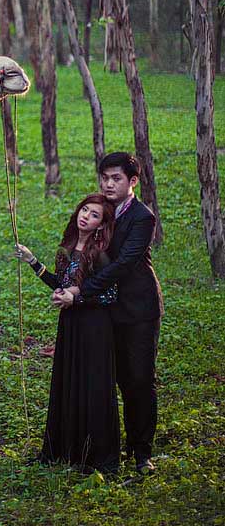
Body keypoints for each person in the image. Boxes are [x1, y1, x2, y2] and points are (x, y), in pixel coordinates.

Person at [53, 153, 164, 476]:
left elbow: (123, 265)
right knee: (105, 380)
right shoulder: (102, 210)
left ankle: (141, 453)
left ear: (132, 182)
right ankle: (102, 449)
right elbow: (82, 251)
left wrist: (78, 292)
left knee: (138, 380)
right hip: (104, 310)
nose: (108, 184)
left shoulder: (142, 217)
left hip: (138, 310)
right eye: (104, 178)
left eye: (116, 178)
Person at [16, 193, 119, 474]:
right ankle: (66, 450)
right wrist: (33, 261)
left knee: (92, 386)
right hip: (71, 325)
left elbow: (110, 294)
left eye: (94, 214)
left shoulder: (99, 253)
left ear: (101, 224)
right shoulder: (69, 247)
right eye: (84, 210)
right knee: (68, 382)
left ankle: (96, 457)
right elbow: (60, 286)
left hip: (94, 326)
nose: (86, 215)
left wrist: (77, 300)